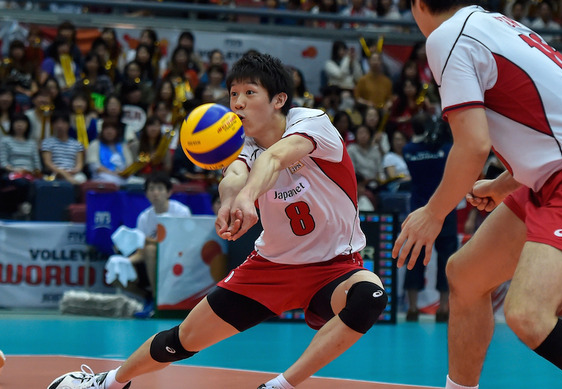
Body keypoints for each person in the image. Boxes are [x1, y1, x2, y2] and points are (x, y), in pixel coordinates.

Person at [49, 52, 388, 389]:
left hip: (336, 265)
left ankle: (280, 386)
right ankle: (107, 382)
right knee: (180, 341)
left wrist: (246, 197)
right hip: (270, 267)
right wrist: (229, 201)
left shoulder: (312, 123)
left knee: (369, 296)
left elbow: (275, 159)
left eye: (249, 93)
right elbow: (235, 174)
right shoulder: (240, 146)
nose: (238, 103)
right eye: (233, 94)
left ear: (278, 100)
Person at [393, 2, 562, 389]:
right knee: (465, 275)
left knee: (527, 315)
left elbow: (473, 146)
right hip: (556, 175)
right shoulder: (493, 23)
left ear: (418, 5)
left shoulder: (446, 37)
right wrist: (500, 184)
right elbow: (550, 129)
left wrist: (433, 213)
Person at [402, 113, 456, 322]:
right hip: (444, 210)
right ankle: (443, 308)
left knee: (413, 259)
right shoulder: (445, 149)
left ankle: (412, 308)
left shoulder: (409, 151)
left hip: (418, 212)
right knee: (446, 260)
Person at [125, 172, 191, 318]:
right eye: (151, 189)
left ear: (169, 192)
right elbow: (140, 249)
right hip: (150, 262)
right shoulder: (143, 217)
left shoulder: (181, 211)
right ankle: (149, 297)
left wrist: (151, 241)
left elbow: (184, 242)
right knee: (119, 273)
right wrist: (125, 262)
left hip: (177, 259)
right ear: (146, 193)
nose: (155, 193)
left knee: (150, 249)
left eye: (160, 189)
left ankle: (156, 301)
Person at [40, 110, 87, 185]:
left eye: (63, 122)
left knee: (81, 178)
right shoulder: (47, 142)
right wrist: (63, 173)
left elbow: (79, 164)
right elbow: (48, 163)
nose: (60, 125)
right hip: (54, 173)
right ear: (52, 125)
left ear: (68, 124)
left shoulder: (77, 144)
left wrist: (73, 171)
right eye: (56, 122)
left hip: (72, 173)